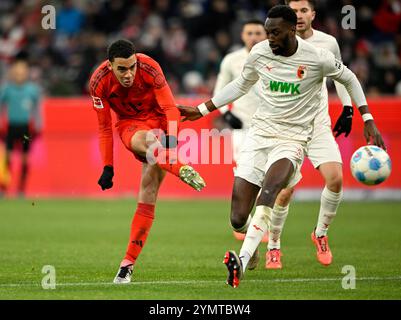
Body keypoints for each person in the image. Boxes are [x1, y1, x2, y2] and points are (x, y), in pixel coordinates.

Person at [179, 5, 385, 288]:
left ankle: (242, 258)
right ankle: (249, 245)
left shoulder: (317, 57)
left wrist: (366, 117)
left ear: (291, 30)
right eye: (267, 32)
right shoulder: (261, 52)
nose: (269, 38)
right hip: (260, 135)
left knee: (272, 190)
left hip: (293, 139)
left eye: (275, 33)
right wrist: (202, 110)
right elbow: (241, 84)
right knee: (238, 218)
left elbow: (349, 78)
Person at [89, 39, 205, 284]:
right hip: (131, 125)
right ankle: (179, 168)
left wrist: (172, 139)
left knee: (148, 191)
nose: (129, 73)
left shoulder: (150, 67)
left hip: (160, 120)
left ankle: (127, 264)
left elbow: (170, 107)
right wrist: (108, 166)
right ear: (110, 66)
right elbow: (104, 128)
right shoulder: (98, 82)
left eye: (132, 67)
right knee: (149, 141)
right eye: (122, 69)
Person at [264, 0, 355, 270]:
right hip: (287, 127)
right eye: (295, 11)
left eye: (304, 10)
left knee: (336, 179)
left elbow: (342, 78)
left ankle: (320, 233)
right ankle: (274, 246)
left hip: (317, 124)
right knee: (284, 192)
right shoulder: (275, 44)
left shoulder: (327, 44)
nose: (300, 15)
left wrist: (348, 109)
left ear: (313, 14)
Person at [213, 19, 268, 247]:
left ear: (265, 35)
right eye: (249, 33)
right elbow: (220, 90)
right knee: (247, 176)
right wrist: (227, 114)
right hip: (242, 127)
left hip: (269, 127)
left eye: (258, 33)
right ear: (242, 35)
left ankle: (256, 224)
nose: (253, 37)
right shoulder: (231, 60)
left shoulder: (274, 58)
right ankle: (249, 222)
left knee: (267, 180)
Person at [0, 59, 42, 196]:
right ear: (13, 73)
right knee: (7, 157)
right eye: (17, 72)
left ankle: (21, 188)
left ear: (26, 74)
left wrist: (38, 124)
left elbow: (37, 109)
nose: (19, 75)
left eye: (22, 72)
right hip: (10, 128)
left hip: (25, 129)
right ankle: (4, 187)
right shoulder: (7, 89)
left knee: (25, 158)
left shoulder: (32, 90)